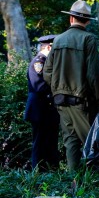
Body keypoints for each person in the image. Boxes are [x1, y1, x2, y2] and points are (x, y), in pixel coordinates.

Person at [43, 0, 99, 172]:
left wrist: (57, 88)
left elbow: (47, 72)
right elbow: (95, 75)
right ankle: (96, 187)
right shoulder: (88, 39)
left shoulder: (58, 40)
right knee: (93, 144)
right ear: (87, 21)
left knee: (70, 142)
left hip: (61, 101)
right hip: (82, 102)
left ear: (71, 18)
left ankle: (72, 185)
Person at [24, 35, 61, 170]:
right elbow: (38, 86)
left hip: (47, 109)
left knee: (50, 141)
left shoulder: (47, 62)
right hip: (39, 109)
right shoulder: (39, 62)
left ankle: (51, 169)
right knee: (39, 142)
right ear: (49, 47)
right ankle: (37, 172)